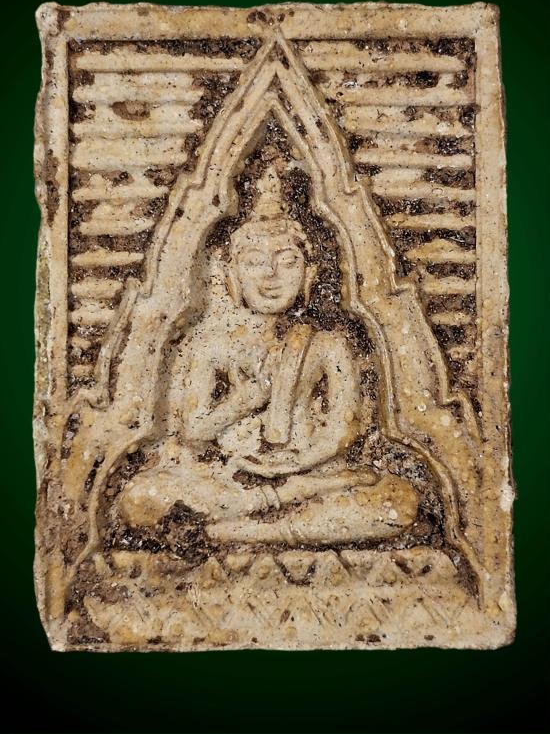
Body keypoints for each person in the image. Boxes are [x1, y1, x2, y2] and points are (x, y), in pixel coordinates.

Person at [119, 167, 419, 546]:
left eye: (288, 261)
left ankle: (244, 531)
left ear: (309, 273)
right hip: (231, 477)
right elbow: (193, 430)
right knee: (141, 498)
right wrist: (246, 400)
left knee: (398, 501)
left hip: (311, 472)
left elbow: (343, 430)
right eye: (254, 262)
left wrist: (296, 464)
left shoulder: (328, 344)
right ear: (232, 275)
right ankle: (273, 511)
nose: (271, 276)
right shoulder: (212, 346)